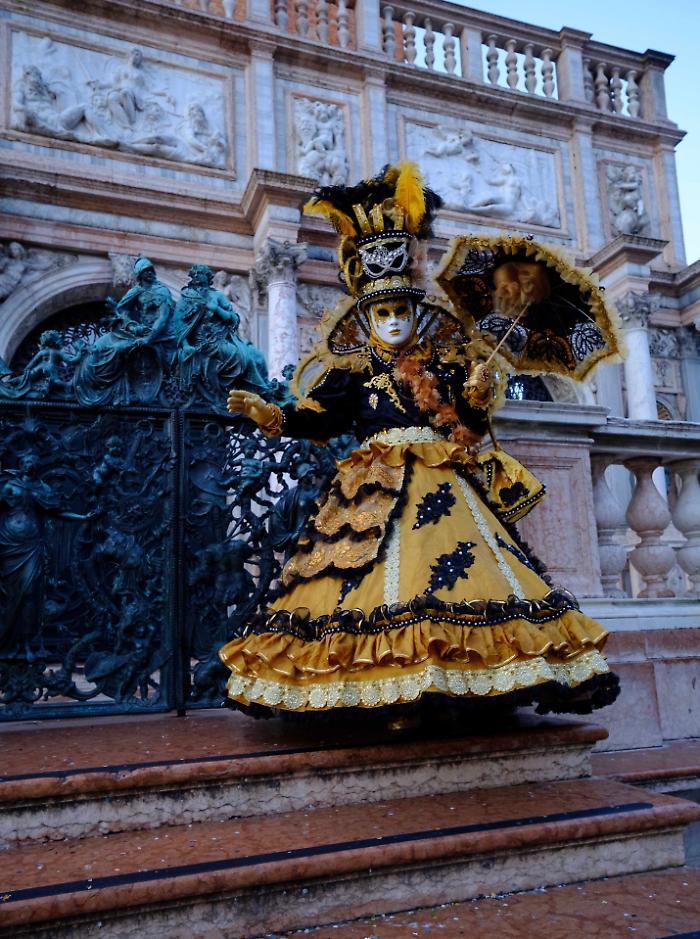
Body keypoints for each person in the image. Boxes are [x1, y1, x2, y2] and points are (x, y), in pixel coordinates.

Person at [219, 162, 619, 719]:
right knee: (366, 578)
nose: (392, 320)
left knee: (457, 576)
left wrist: (476, 395)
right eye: (381, 311)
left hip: (441, 479)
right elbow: (320, 417)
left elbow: (468, 431)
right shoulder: (352, 368)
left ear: (414, 309)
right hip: (370, 485)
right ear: (367, 315)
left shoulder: (447, 362)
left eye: (400, 310)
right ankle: (388, 687)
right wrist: (272, 415)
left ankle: (459, 682)